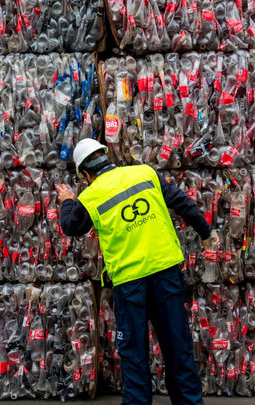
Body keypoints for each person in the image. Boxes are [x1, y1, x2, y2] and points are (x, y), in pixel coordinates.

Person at [56, 138, 219, 405]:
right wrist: (205, 232)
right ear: (106, 158)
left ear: (85, 174)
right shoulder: (145, 172)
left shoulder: (90, 196)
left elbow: (70, 227)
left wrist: (68, 201)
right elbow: (183, 203)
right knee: (178, 349)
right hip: (166, 275)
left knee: (134, 357)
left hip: (131, 285)